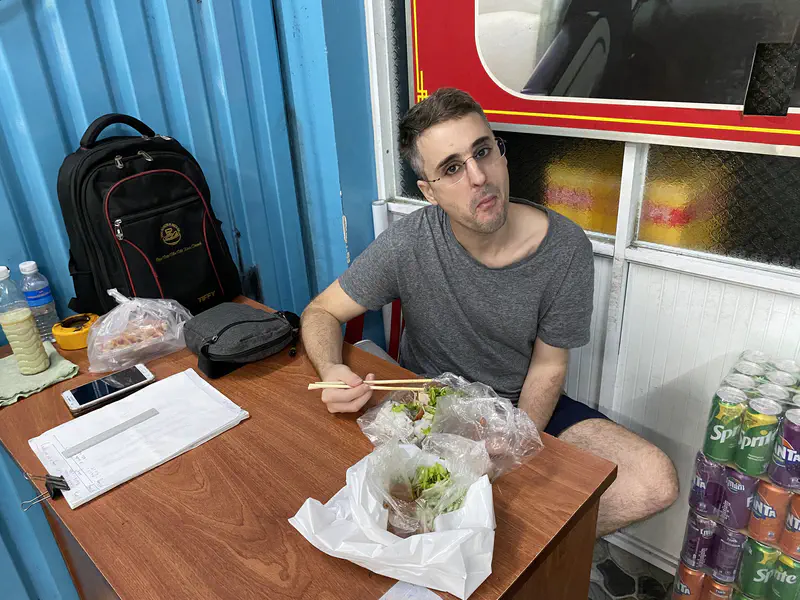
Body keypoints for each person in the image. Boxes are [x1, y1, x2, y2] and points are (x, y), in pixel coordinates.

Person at [300, 87, 678, 536]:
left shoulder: (564, 248)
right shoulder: (410, 242)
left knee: (655, 481)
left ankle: (513, 554)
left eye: (484, 151)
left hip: (521, 405)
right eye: (453, 168)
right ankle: (480, 537)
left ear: (501, 153)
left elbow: (549, 365)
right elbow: (322, 311)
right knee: (350, 493)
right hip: (431, 405)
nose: (478, 177)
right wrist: (331, 367)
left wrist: (515, 440)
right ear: (430, 191)